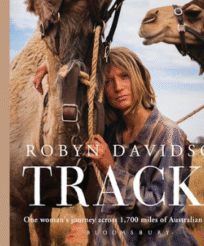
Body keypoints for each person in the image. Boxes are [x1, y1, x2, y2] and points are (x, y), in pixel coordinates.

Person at [85, 47, 198, 246]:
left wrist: (111, 170)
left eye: (124, 76)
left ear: (140, 78)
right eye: (108, 81)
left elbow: (156, 211)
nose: (117, 87)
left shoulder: (167, 134)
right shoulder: (111, 135)